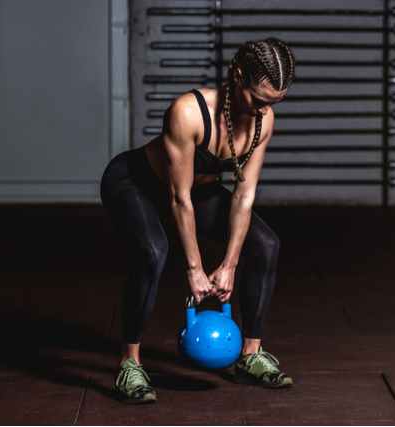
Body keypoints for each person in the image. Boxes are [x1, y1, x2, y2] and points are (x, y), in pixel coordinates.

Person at [100, 38, 296, 404]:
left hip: (196, 192)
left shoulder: (262, 121)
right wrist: (195, 268)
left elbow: (244, 195)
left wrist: (229, 265)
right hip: (136, 184)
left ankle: (250, 356)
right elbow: (179, 198)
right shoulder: (188, 112)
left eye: (274, 102)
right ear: (237, 77)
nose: (264, 110)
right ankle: (130, 363)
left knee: (266, 244)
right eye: (259, 99)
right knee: (154, 251)